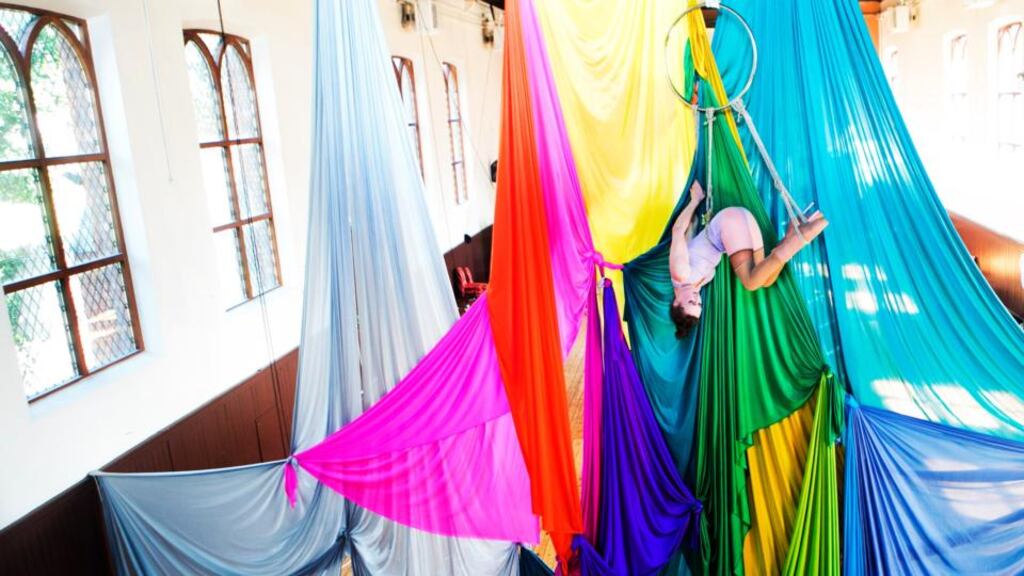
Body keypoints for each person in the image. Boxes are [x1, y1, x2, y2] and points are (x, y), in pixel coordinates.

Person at [669, 180, 828, 338]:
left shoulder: (680, 274)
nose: (697, 298)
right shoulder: (694, 285)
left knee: (751, 282)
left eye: (691, 302)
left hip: (729, 224)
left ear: (676, 302)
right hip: (742, 227)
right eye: (699, 304)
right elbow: (689, 234)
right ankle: (791, 236)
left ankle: (804, 236)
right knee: (766, 280)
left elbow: (678, 231)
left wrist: (695, 200)